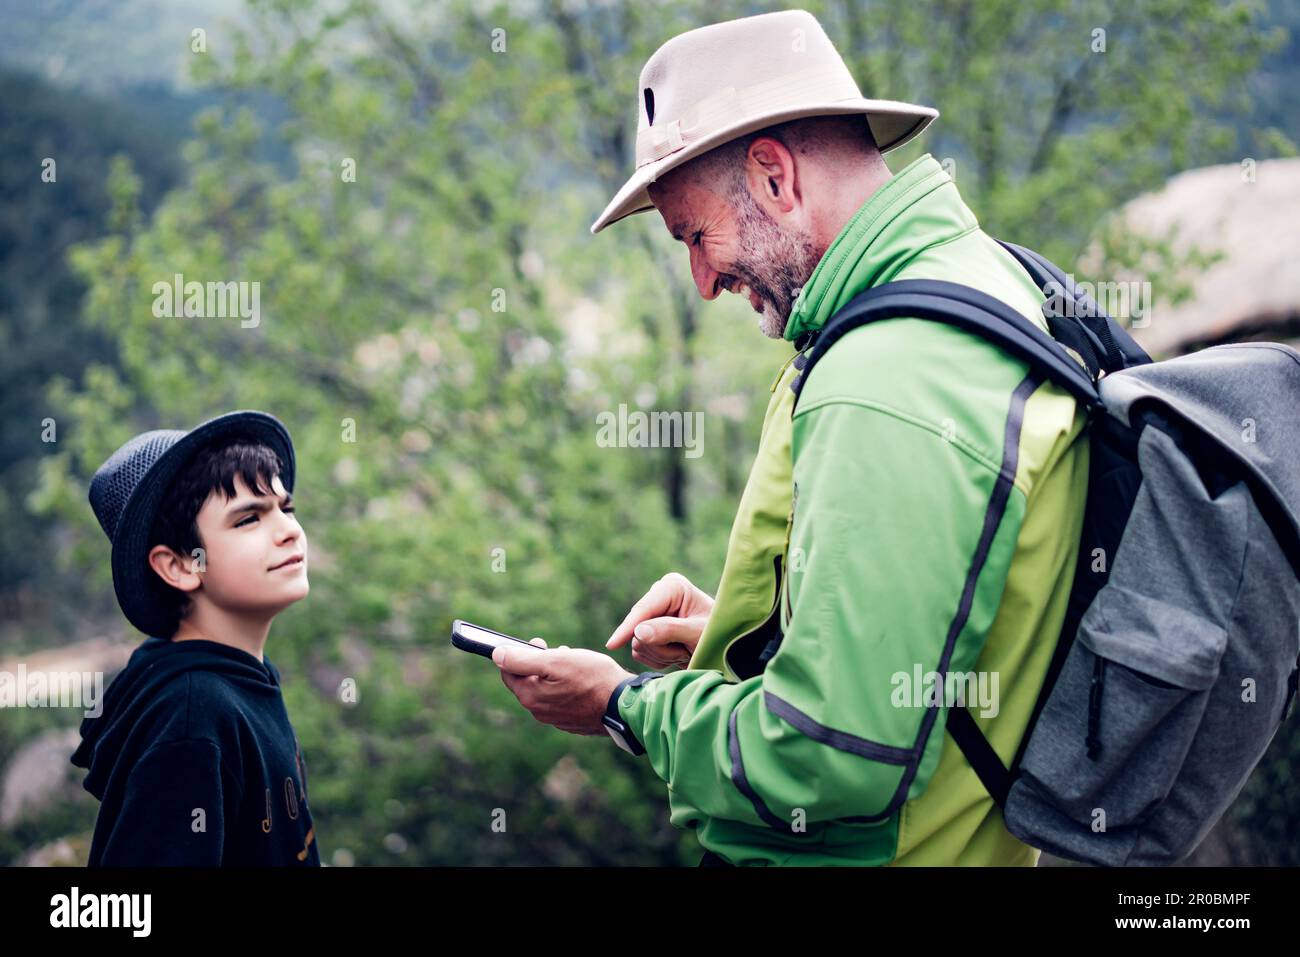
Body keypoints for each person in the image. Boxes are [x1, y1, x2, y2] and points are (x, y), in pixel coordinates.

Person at [493, 9, 1090, 866]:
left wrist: (623, 704)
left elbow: (828, 755)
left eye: (696, 235)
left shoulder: (890, 375)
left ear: (774, 176)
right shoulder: (977, 284)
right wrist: (767, 628)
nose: (702, 281)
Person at [72, 410, 321, 866]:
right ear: (180, 565)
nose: (288, 531)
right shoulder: (192, 717)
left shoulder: (246, 679)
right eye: (248, 519)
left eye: (285, 508)